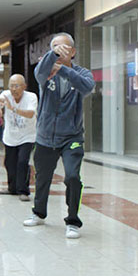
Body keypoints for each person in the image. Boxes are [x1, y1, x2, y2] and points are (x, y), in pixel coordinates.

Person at [23, 33, 95, 238]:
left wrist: (63, 69)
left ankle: (73, 221)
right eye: (53, 48)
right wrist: (52, 57)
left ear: (72, 52)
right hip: (45, 137)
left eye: (62, 48)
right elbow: (39, 72)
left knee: (73, 177)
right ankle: (39, 213)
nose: (57, 51)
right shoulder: (45, 73)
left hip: (72, 138)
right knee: (42, 178)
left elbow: (87, 87)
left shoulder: (82, 74)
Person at [0, 74, 36, 200]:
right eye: (11, 86)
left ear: (24, 86)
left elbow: (30, 114)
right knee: (9, 163)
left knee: (22, 162)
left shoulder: (31, 97)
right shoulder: (6, 94)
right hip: (10, 136)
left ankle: (23, 191)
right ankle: (12, 188)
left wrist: (13, 109)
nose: (13, 89)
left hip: (27, 136)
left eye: (16, 86)